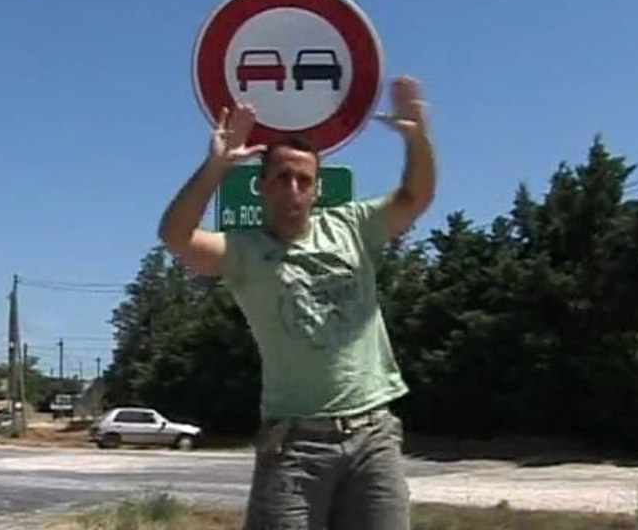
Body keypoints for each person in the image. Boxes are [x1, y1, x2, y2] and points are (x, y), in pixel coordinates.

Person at [157, 75, 437, 529]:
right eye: (282, 178)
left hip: (372, 436)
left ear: (316, 189)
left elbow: (415, 196)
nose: (293, 189)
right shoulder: (244, 251)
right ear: (262, 186)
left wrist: (417, 138)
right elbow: (175, 235)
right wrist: (216, 166)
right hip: (293, 444)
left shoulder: (351, 226)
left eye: (304, 180)